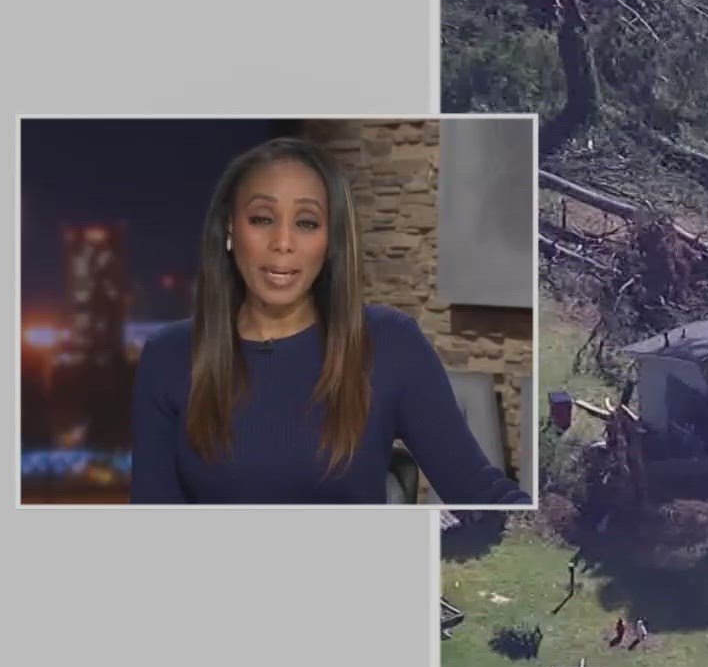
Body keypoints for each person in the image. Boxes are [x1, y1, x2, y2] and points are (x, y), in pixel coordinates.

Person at [128, 136, 531, 505]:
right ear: (230, 229)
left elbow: (482, 495)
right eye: (262, 219)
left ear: (331, 239)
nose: (283, 243)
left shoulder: (390, 344)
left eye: (306, 223)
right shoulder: (168, 356)